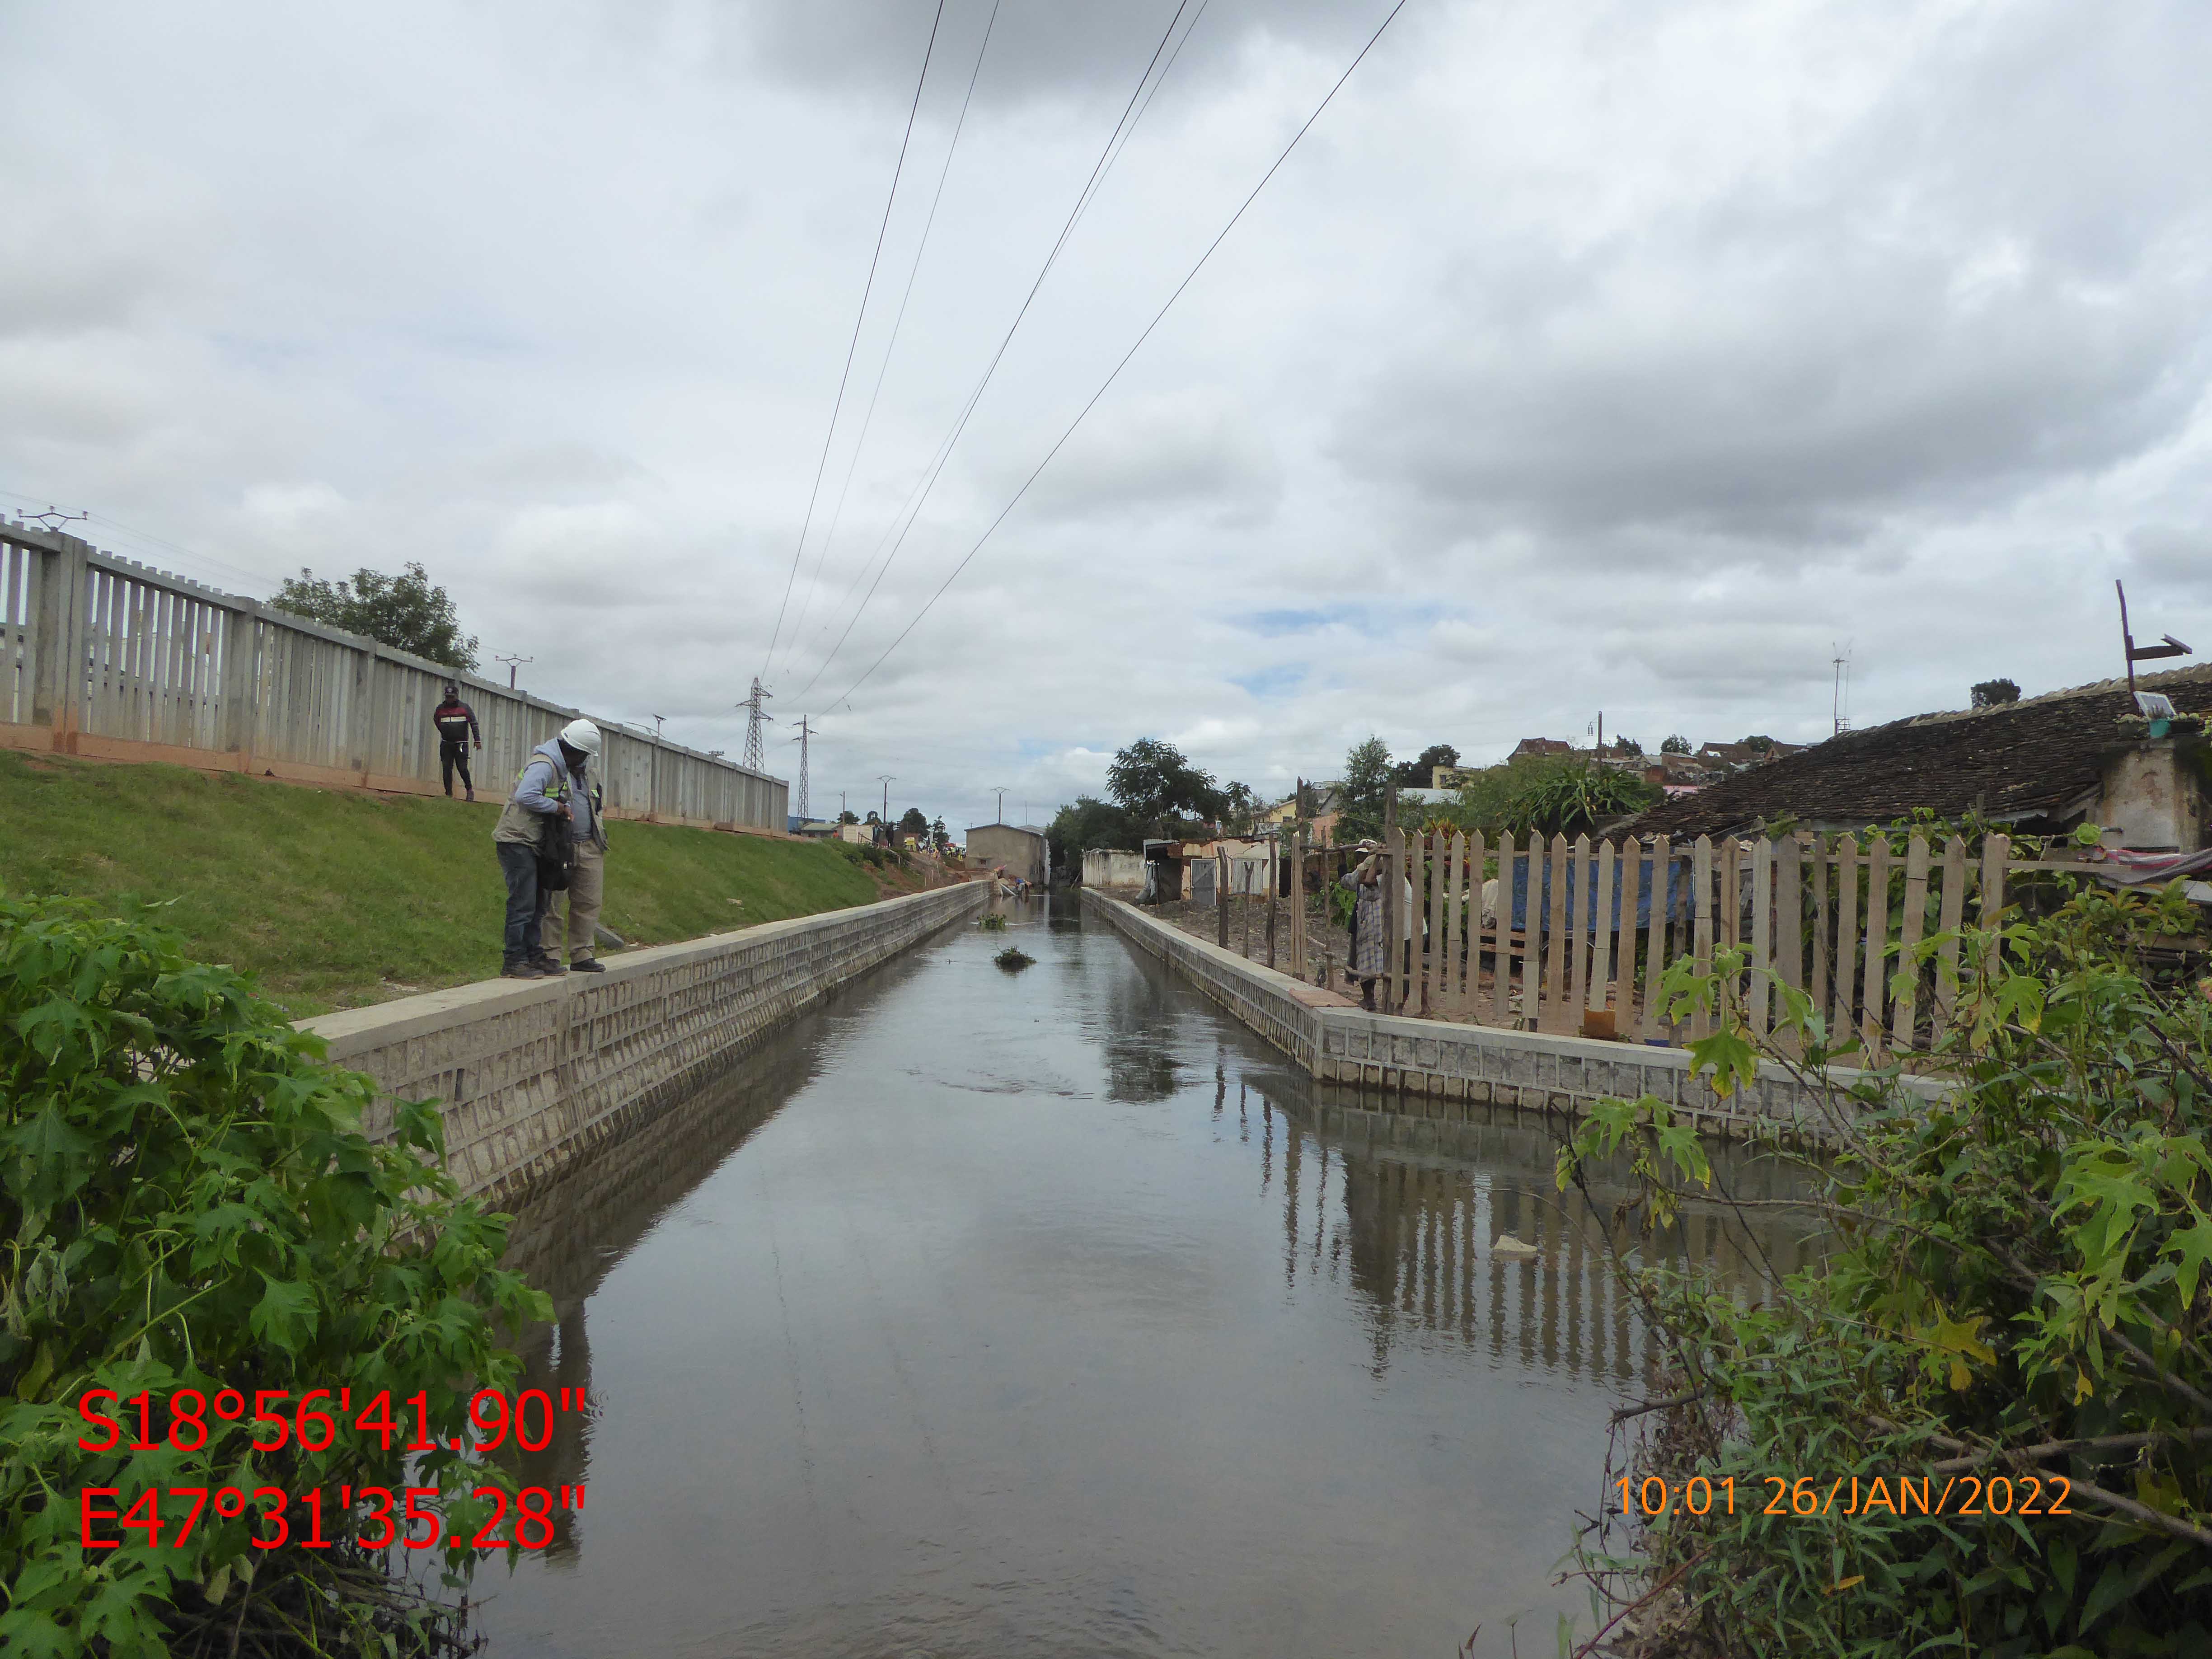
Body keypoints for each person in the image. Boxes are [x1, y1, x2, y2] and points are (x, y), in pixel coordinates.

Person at [492, 719, 600, 979]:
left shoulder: (558, 766)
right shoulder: (544, 764)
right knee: (523, 903)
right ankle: (514, 961)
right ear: (575, 751)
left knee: (539, 904)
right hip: (517, 840)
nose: (583, 761)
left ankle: (532, 955)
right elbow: (526, 796)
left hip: (533, 842)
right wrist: (558, 808)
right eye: (584, 756)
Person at [545, 734, 609, 973]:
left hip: (591, 844)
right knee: (553, 903)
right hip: (561, 846)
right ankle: (550, 954)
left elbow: (597, 805)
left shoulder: (592, 774)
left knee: (589, 902)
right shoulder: (551, 769)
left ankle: (582, 954)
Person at [432, 681, 483, 801]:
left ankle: (469, 790)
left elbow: (474, 723)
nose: (449, 700)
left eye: (452, 697)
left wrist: (477, 740)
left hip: (461, 744)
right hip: (446, 743)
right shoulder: (440, 708)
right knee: (447, 768)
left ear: (457, 696)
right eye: (447, 697)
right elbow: (436, 720)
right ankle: (448, 794)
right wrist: (445, 731)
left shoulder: (464, 708)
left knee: (462, 768)